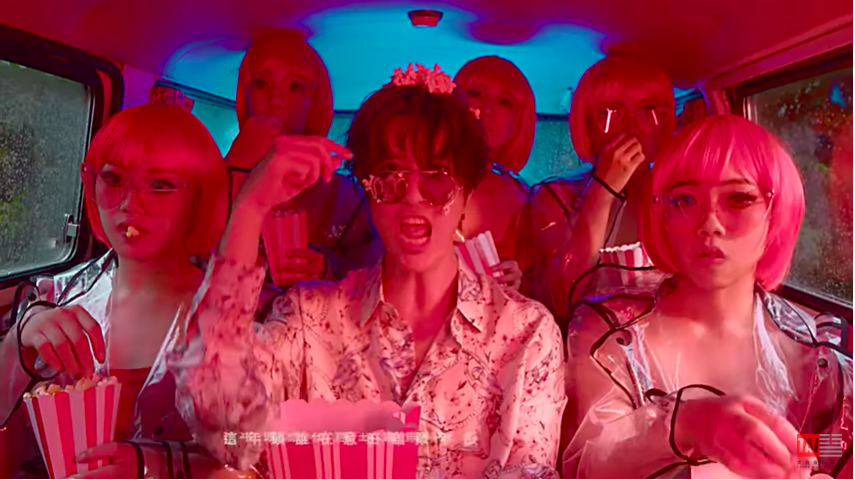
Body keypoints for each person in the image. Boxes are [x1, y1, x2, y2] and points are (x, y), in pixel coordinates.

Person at [168, 64, 566, 478]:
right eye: (391, 176)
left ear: (467, 192)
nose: (413, 196)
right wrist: (249, 210)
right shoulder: (307, 318)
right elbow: (221, 424)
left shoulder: (526, 334)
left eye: (437, 178)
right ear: (369, 189)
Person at [562, 115, 852, 479]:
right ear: (660, 215)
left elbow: (829, 446)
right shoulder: (611, 334)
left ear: (777, 211)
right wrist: (682, 426)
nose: (709, 224)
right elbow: (590, 465)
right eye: (684, 200)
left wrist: (803, 461)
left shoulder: (815, 351)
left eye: (739, 198)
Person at [0, 104, 231, 477]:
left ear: (200, 197)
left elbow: (261, 453)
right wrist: (18, 345)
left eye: (161, 185)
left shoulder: (241, 313)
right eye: (113, 178)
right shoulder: (53, 296)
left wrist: (155, 465)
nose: (130, 204)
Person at [225, 30, 381, 289]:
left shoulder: (349, 196)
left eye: (294, 87)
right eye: (261, 84)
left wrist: (328, 268)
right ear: (245, 94)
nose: (275, 101)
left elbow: (380, 274)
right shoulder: (213, 179)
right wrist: (236, 165)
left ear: (314, 101)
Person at [527, 54, 676, 323]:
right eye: (611, 112)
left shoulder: (679, 195)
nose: (632, 125)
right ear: (585, 123)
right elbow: (561, 303)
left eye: (649, 111)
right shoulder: (555, 195)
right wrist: (602, 191)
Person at [453, 56, 536, 291]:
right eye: (475, 94)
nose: (487, 110)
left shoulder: (526, 200)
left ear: (520, 118)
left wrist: (520, 283)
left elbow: (544, 287)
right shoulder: (418, 180)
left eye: (504, 102)